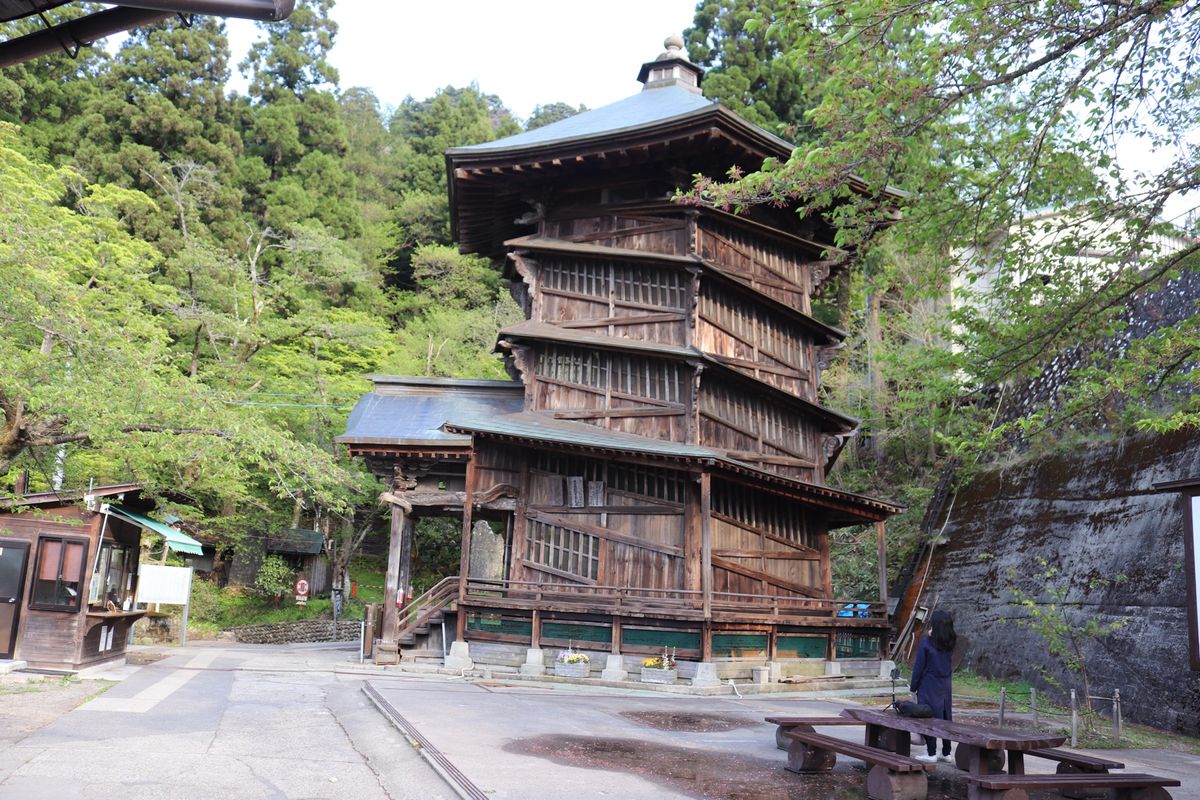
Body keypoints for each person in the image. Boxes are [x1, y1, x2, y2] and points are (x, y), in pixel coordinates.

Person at [909, 609, 957, 763]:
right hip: (945, 684)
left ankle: (931, 753)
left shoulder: (926, 643)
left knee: (928, 716)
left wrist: (913, 686)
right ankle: (946, 752)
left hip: (928, 684)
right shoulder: (950, 643)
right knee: (945, 716)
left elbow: (919, 667)